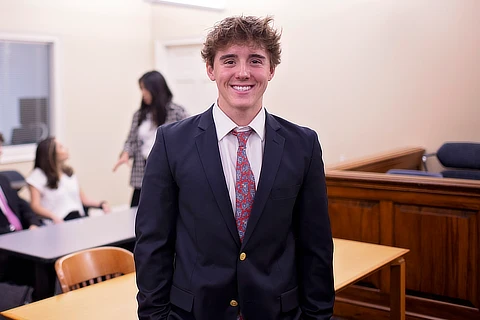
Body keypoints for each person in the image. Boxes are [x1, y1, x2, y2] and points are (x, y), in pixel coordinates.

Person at [134, 16, 335, 320]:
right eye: (229, 61)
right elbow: (153, 245)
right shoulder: (171, 143)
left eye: (255, 60)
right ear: (211, 70)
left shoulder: (302, 145)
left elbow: (316, 246)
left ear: (271, 69)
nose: (243, 72)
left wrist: (317, 317)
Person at [113, 70, 188, 207]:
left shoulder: (177, 112)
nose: (143, 93)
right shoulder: (139, 115)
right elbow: (130, 140)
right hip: (142, 173)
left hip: (168, 174)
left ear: (156, 89)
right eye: (141, 89)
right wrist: (125, 154)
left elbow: (188, 142)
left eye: (145, 88)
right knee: (137, 214)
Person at [26, 137, 111, 224]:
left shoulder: (68, 173)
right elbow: (35, 206)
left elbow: (84, 200)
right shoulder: (37, 176)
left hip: (78, 219)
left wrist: (101, 204)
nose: (66, 149)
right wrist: (53, 217)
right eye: (61, 147)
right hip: (57, 223)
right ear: (51, 154)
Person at [0, 132, 42, 288]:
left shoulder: (3, 180)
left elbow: (23, 206)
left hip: (22, 241)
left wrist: (33, 223)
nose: (1, 151)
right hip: (6, 250)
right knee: (40, 265)